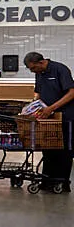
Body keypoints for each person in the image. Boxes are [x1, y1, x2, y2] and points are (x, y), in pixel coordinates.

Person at [24, 51, 74, 194]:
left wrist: (52, 108)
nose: (33, 71)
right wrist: (33, 107)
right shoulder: (39, 73)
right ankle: (47, 181)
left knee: (64, 150)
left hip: (65, 116)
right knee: (48, 147)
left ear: (41, 62)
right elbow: (38, 93)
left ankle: (62, 182)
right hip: (48, 117)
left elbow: (71, 92)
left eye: (33, 68)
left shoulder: (60, 69)